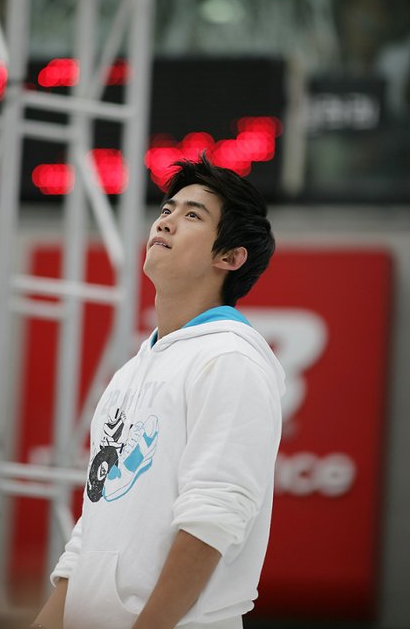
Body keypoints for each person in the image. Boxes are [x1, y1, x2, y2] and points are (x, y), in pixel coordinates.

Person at [32, 154, 285, 629]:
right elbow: (92, 528)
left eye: (193, 215)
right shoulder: (130, 373)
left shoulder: (231, 358)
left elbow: (212, 520)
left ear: (230, 258)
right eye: (167, 210)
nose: (166, 221)